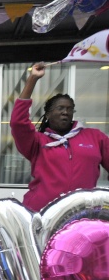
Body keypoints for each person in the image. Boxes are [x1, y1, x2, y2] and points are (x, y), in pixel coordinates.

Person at [11, 62, 109, 212]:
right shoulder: (37, 141)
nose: (65, 112)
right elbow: (18, 122)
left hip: (83, 213)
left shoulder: (95, 137)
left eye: (69, 109)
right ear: (48, 114)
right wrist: (32, 80)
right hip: (41, 213)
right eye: (60, 108)